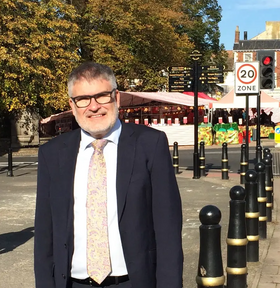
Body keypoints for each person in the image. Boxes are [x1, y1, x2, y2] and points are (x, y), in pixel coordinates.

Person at [34, 61, 183, 288]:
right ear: (72, 106)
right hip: (74, 283)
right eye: (83, 99)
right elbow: (45, 234)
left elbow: (168, 229)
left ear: (117, 98)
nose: (93, 107)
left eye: (102, 96)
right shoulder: (52, 154)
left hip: (132, 282)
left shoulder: (150, 144)